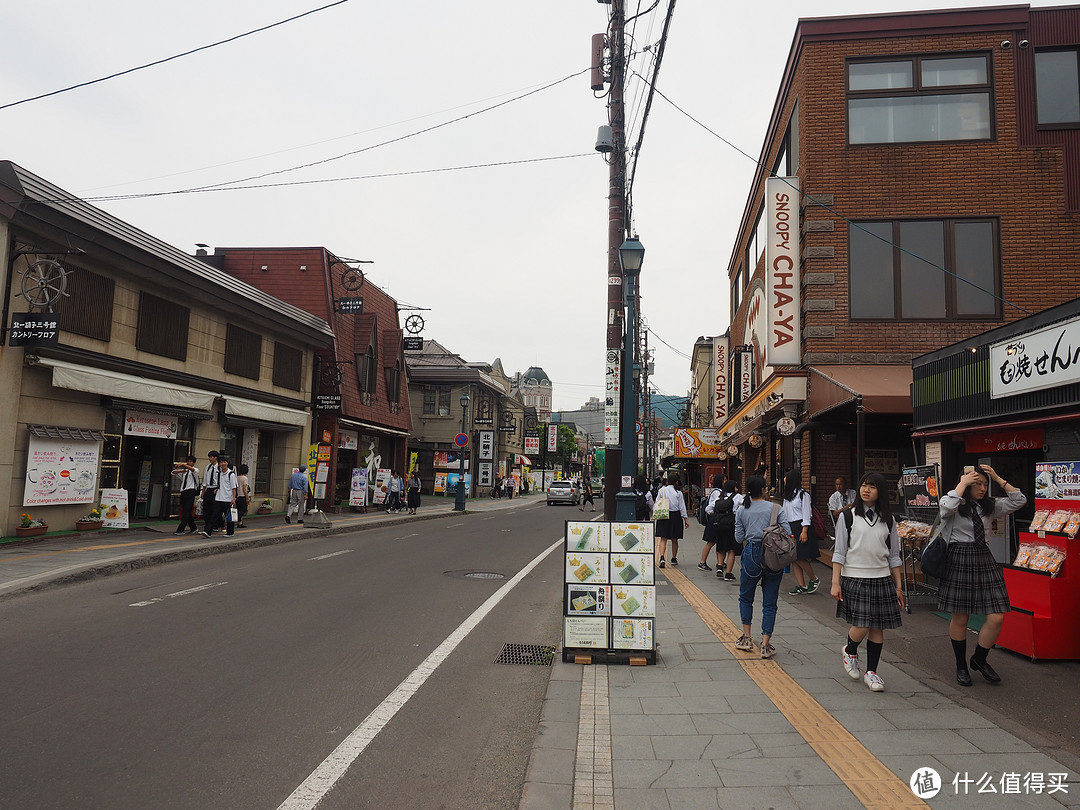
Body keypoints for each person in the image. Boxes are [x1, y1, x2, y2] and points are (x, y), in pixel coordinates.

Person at [938, 464, 1026, 687]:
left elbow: (1019, 500)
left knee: (997, 615)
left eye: (984, 485)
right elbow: (945, 508)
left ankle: (979, 658)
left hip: (984, 557)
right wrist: (963, 483)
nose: (982, 488)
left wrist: (997, 478)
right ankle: (961, 665)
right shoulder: (955, 503)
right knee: (961, 617)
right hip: (959, 556)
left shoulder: (989, 505)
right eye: (978, 484)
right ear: (966, 483)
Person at [830, 472, 903, 692]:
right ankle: (850, 650)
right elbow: (839, 552)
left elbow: (894, 556)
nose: (866, 490)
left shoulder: (888, 519)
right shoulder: (848, 516)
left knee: (877, 627)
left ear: (880, 491)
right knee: (861, 624)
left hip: (881, 578)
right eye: (863, 485)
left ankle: (872, 672)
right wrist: (835, 582)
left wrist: (898, 585)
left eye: (872, 486)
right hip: (855, 577)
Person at [735, 474, 791, 658]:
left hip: (751, 553)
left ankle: (747, 638)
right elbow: (788, 533)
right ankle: (765, 645)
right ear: (764, 490)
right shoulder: (776, 508)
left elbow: (738, 537)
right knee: (770, 602)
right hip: (773, 555)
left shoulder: (742, 510)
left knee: (746, 597)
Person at [782, 469, 820, 595]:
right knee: (793, 557)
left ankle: (814, 578)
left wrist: (804, 531)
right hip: (789, 526)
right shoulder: (787, 495)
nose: (784, 480)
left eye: (786, 477)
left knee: (800, 556)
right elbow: (784, 513)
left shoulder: (804, 495)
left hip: (801, 527)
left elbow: (806, 514)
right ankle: (801, 585)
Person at [701, 479, 741, 583]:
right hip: (731, 525)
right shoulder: (738, 497)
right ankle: (728, 573)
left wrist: (715, 514)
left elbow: (708, 508)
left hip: (719, 525)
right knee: (731, 549)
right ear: (733, 487)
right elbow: (743, 509)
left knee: (721, 546)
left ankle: (719, 566)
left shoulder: (720, 496)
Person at [653, 472, 688, 568]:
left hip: (664, 515)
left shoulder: (662, 490)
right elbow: (682, 507)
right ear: (676, 481)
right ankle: (673, 558)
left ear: (667, 481)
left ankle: (662, 557)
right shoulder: (678, 493)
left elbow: (657, 502)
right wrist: (685, 519)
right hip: (675, 516)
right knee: (674, 539)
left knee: (663, 538)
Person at [697, 474, 726, 573]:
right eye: (725, 479)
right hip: (714, 520)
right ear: (721, 481)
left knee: (718, 541)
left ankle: (720, 562)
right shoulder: (718, 493)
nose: (726, 481)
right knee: (711, 542)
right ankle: (702, 562)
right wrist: (713, 513)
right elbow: (711, 507)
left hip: (716, 520)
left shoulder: (718, 492)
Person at [203, 456, 238, 537]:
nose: (223, 464)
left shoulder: (231, 474)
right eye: (221, 462)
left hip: (228, 499)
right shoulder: (219, 474)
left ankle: (230, 532)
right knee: (214, 515)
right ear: (219, 464)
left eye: (224, 462)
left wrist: (233, 498)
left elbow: (234, 488)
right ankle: (208, 532)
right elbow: (219, 484)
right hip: (219, 498)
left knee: (228, 516)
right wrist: (217, 489)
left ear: (227, 463)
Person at [173, 455, 201, 535]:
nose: (189, 463)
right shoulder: (185, 472)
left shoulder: (195, 470)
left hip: (191, 491)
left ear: (193, 463)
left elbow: (193, 470)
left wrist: (183, 465)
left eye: (191, 461)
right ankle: (193, 527)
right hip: (184, 492)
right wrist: (181, 471)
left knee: (186, 511)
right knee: (186, 510)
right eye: (188, 461)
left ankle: (180, 529)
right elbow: (173, 473)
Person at [200, 450, 221, 532]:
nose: (209, 458)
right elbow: (205, 480)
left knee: (214, 508)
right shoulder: (207, 467)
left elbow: (221, 479)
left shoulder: (219, 467)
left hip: (216, 489)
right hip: (208, 489)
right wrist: (203, 491)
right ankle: (208, 525)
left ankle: (214, 525)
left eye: (211, 457)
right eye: (209, 457)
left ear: (215, 457)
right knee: (206, 509)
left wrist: (218, 488)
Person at [234, 463, 251, 528]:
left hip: (237, 496)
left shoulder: (237, 477)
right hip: (242, 496)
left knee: (238, 509)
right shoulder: (245, 478)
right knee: (243, 510)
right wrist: (247, 497)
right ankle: (238, 518)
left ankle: (240, 523)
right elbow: (244, 489)